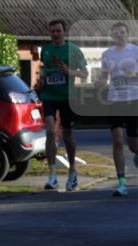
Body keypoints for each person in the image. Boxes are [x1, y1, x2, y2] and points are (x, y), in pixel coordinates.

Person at [35, 19, 88, 192]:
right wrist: (41, 82)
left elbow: (85, 73)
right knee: (50, 132)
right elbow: (44, 70)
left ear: (64, 32)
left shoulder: (73, 50)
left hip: (67, 97)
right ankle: (52, 175)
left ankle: (72, 171)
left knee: (67, 136)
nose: (55, 34)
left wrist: (69, 72)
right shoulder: (46, 50)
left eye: (58, 31)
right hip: (49, 96)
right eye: (52, 31)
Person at [99, 22, 138, 197]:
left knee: (133, 145)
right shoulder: (107, 54)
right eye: (116, 33)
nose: (120, 35)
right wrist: (99, 82)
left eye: (123, 32)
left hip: (133, 100)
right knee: (117, 139)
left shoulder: (135, 51)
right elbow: (103, 76)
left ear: (128, 34)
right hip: (115, 101)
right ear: (113, 36)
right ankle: (122, 183)